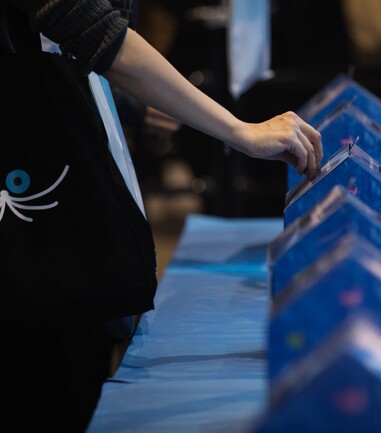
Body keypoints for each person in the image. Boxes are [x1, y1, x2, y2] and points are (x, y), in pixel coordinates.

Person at [2, 0, 322, 432]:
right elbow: (82, 21)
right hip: (37, 214)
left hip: (62, 186)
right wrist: (239, 130)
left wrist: (124, 100)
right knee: (47, 372)